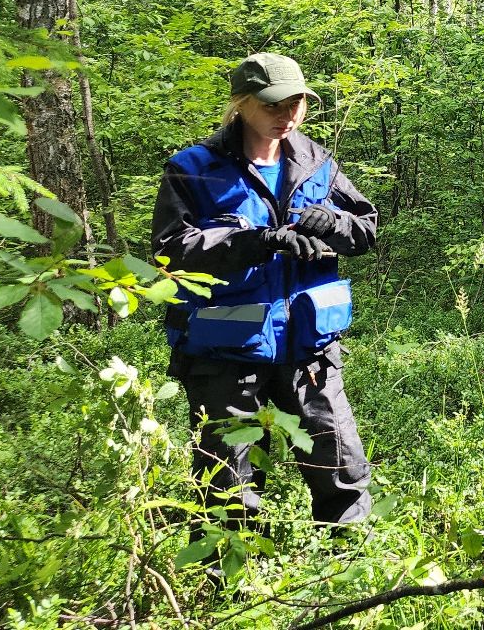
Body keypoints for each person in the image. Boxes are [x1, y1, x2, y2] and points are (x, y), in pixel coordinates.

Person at [153, 52, 377, 533]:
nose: (288, 114)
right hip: (223, 350)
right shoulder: (194, 168)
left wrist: (332, 223)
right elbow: (173, 249)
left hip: (309, 347)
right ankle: (224, 582)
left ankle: (356, 574)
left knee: (340, 465)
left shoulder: (317, 162)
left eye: (297, 103)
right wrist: (256, 241)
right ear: (241, 103)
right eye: (274, 104)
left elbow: (365, 230)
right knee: (226, 477)